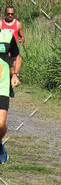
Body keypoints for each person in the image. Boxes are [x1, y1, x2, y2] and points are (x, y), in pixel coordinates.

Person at [0, 24, 20, 163]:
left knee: (1, 124)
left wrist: (15, 75)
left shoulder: (7, 36)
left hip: (3, 84)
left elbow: (16, 56)